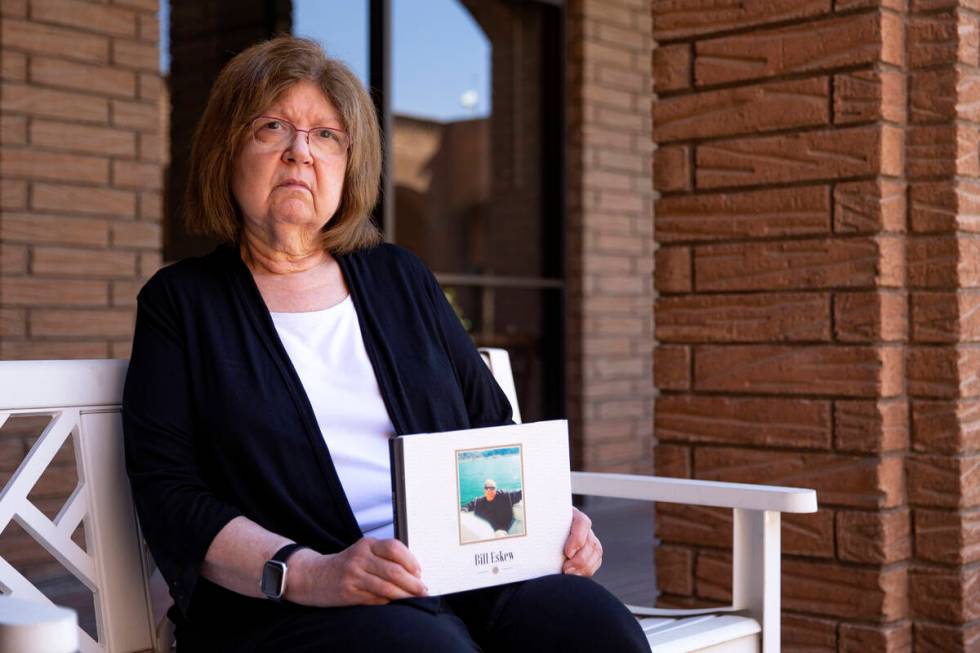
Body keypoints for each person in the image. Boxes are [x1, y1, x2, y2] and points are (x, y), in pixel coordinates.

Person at [122, 35, 648, 653]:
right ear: (227, 150)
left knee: (594, 628)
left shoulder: (400, 276)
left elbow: (486, 429)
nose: (300, 152)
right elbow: (171, 494)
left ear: (349, 164)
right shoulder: (182, 303)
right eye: (272, 127)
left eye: (326, 135)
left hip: (458, 565)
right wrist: (311, 572)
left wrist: (545, 522)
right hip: (295, 603)